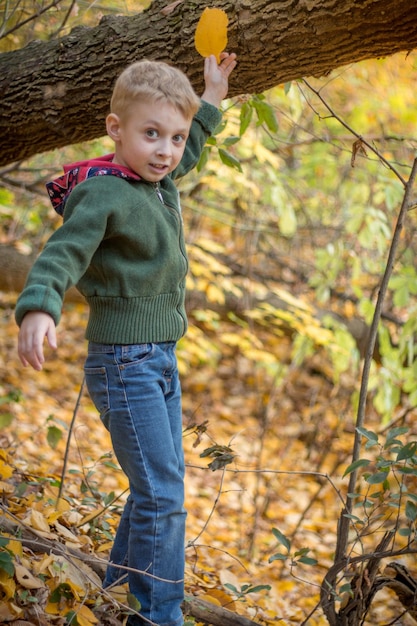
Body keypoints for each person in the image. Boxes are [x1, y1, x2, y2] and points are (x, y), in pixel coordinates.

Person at [15, 52, 237, 626]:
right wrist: (39, 308)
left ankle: (115, 591)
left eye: (174, 136)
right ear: (116, 129)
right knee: (163, 494)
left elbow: (186, 154)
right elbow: (62, 253)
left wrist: (211, 96)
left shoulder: (154, 181)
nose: (166, 149)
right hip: (124, 363)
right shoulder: (106, 192)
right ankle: (159, 616)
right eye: (151, 134)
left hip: (160, 359)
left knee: (156, 488)